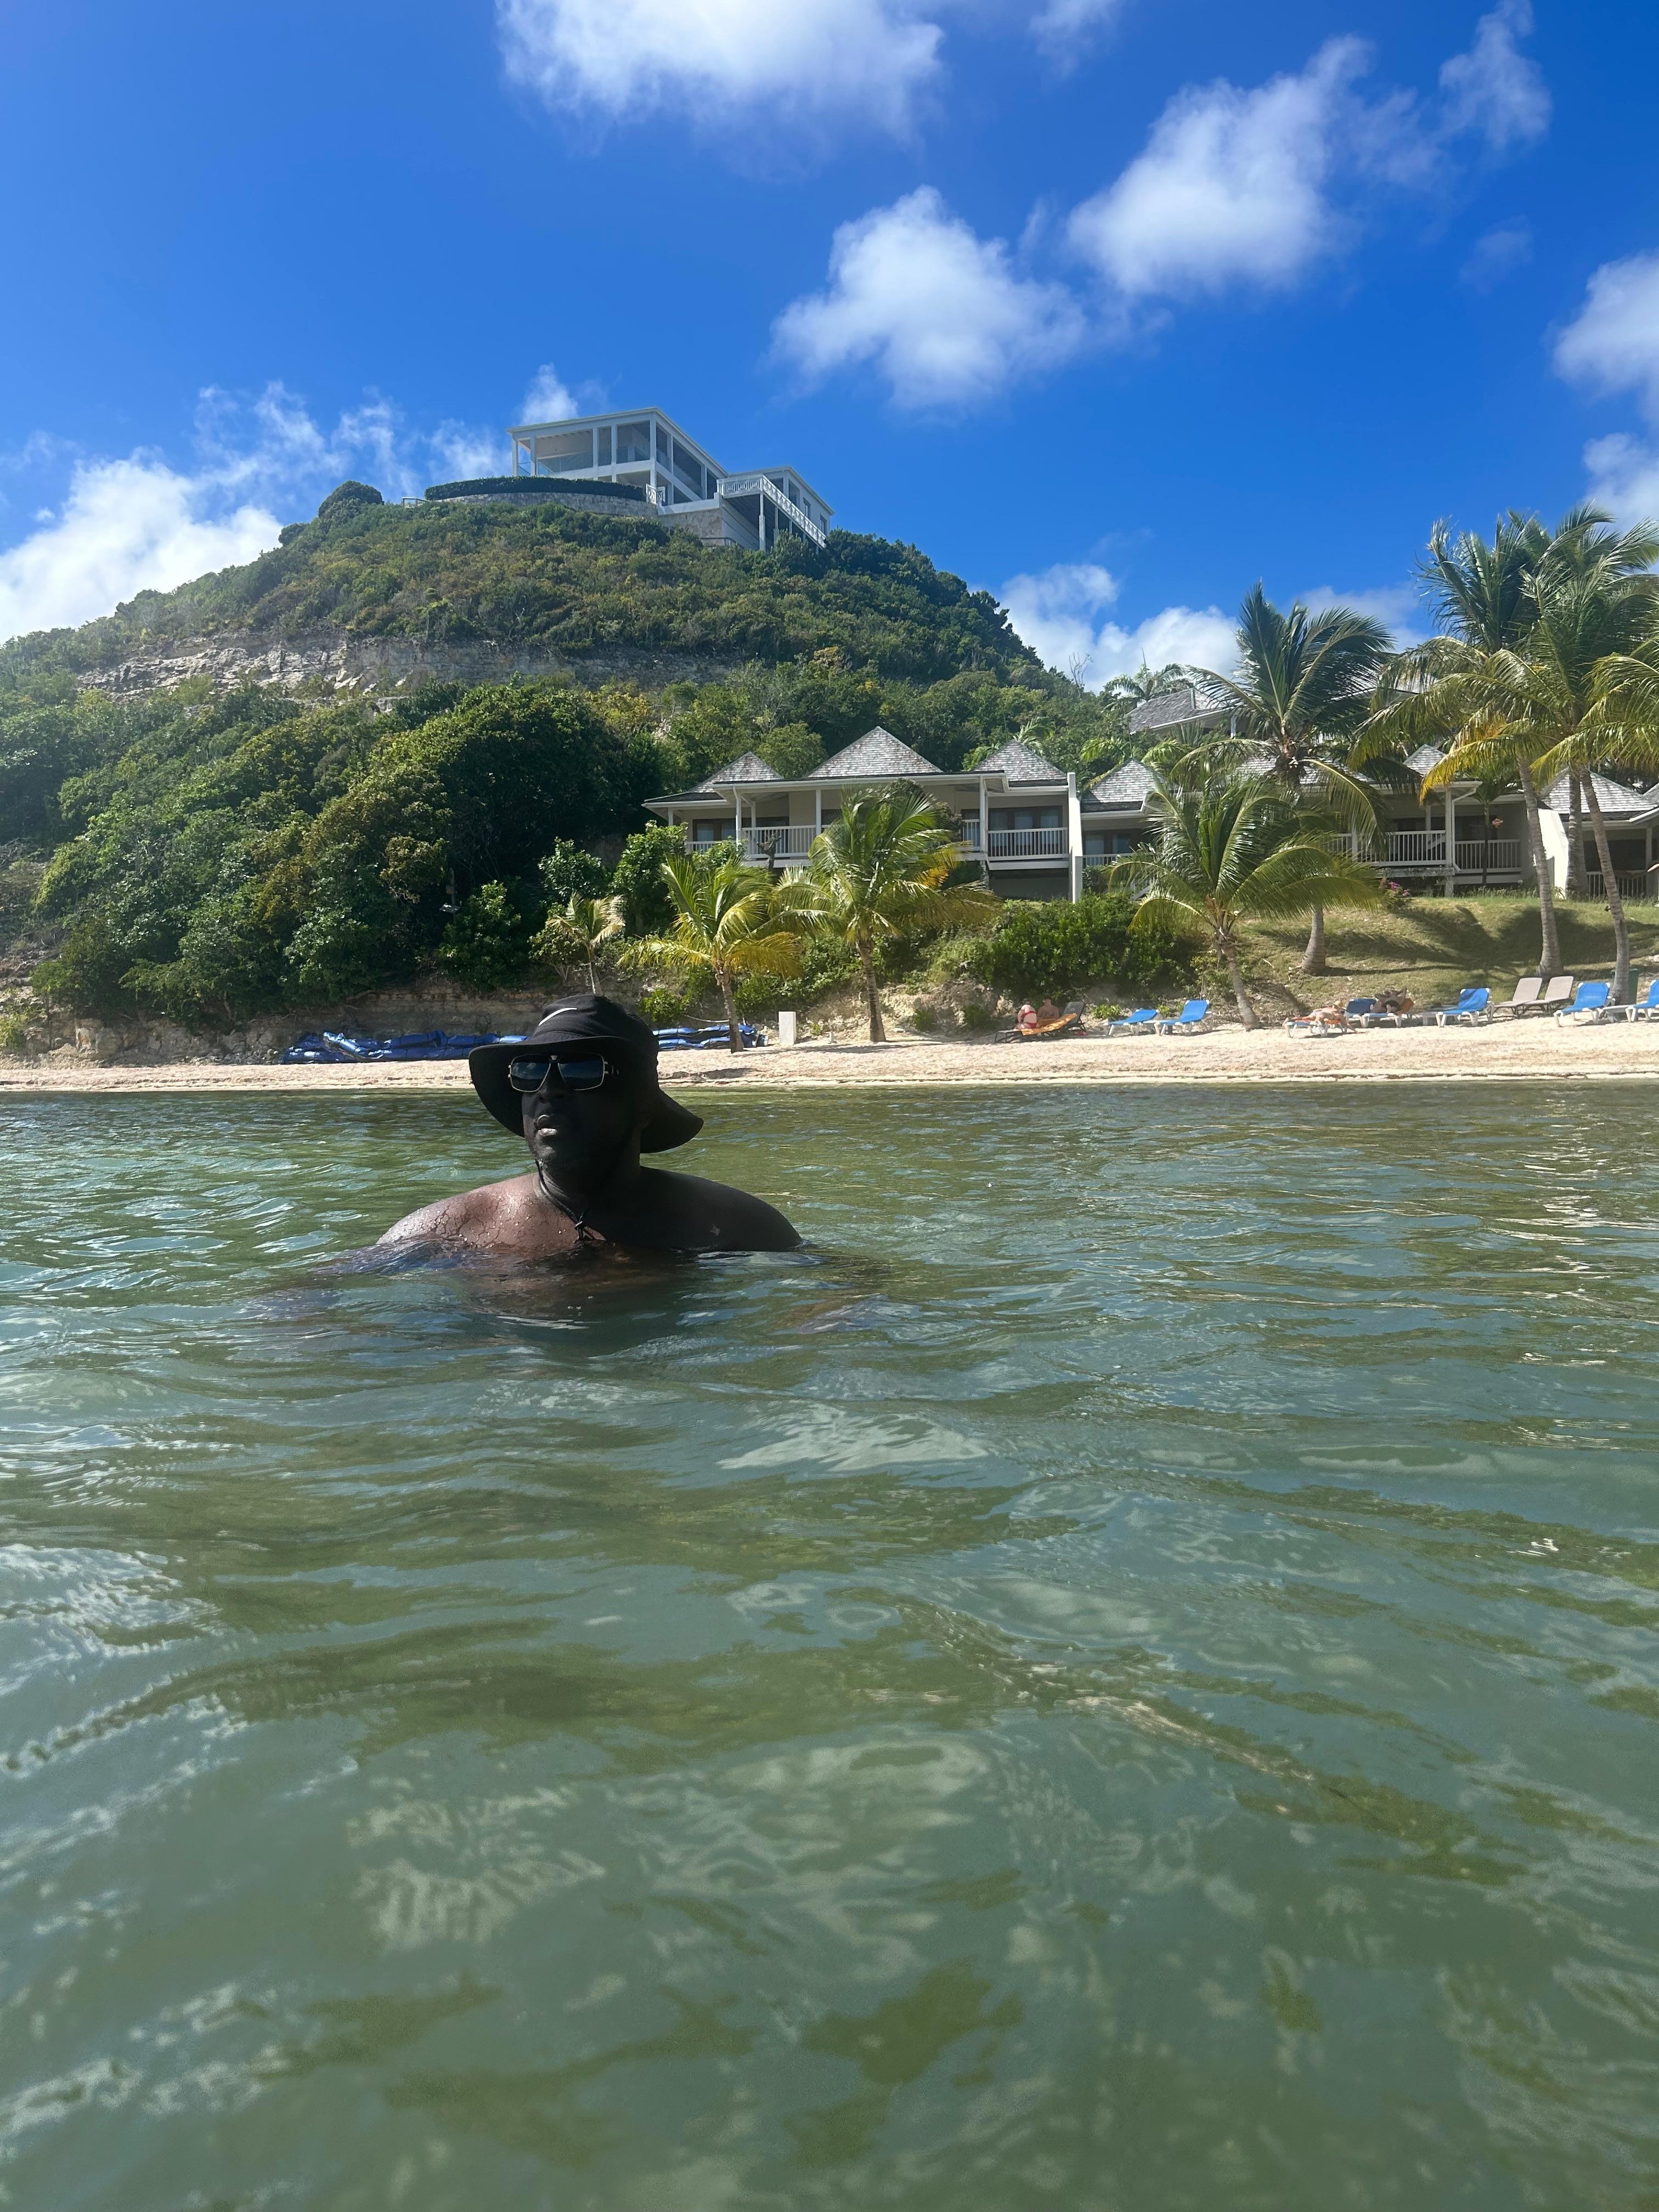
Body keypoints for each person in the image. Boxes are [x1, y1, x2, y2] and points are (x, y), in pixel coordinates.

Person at [379, 995, 799, 1259]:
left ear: (643, 1106)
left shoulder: (732, 1224)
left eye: (582, 1070)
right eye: (530, 1071)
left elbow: (828, 1291)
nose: (549, 1089)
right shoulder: (450, 1231)